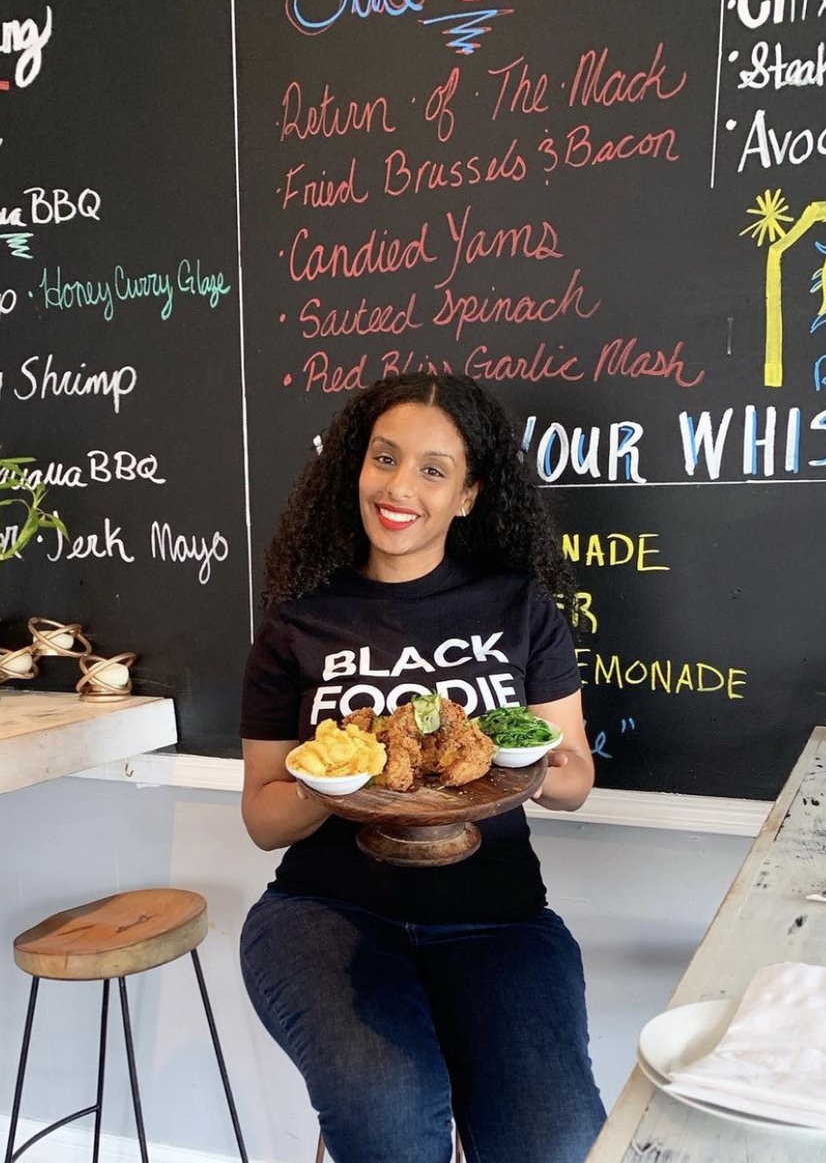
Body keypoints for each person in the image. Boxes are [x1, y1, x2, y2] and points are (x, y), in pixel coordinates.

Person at [238, 373, 605, 1163]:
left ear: (469, 494)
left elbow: (575, 776)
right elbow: (263, 820)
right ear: (356, 468)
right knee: (393, 1124)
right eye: (385, 459)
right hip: (328, 915)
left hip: (497, 919)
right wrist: (340, 782)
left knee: (556, 1143)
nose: (400, 487)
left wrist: (523, 769)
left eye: (433, 470)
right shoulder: (299, 623)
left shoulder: (519, 607)